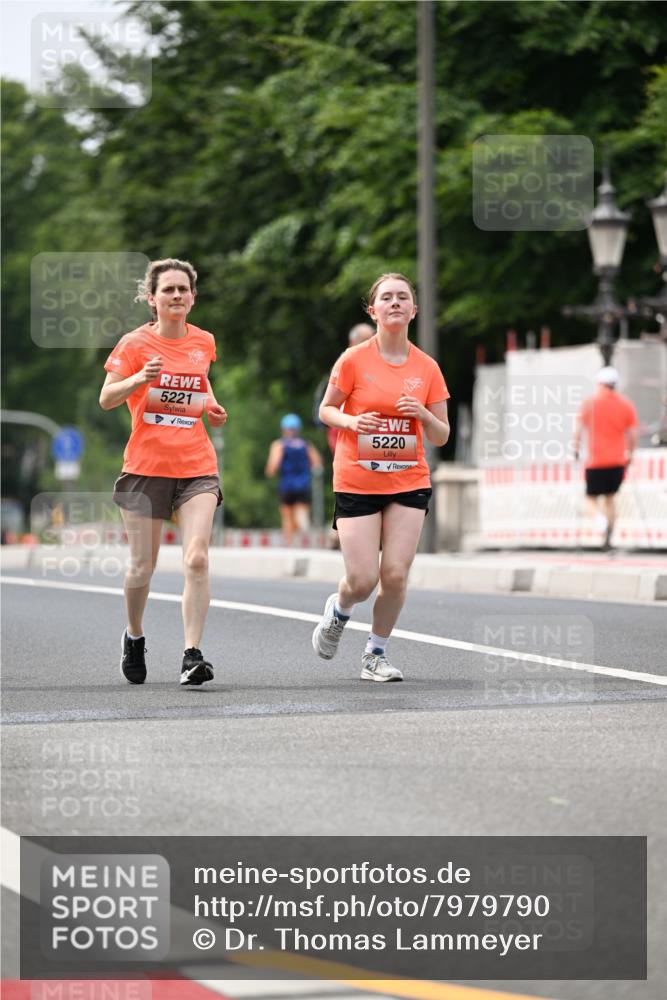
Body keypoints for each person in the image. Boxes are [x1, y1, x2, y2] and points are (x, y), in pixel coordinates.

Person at [312, 273, 450, 682]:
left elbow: (441, 434)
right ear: (373, 311)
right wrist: (353, 423)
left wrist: (423, 415)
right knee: (362, 579)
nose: (394, 303)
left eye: (402, 297)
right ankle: (339, 610)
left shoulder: (426, 368)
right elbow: (326, 410)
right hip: (357, 478)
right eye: (386, 298)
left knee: (394, 574)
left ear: (414, 310)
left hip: (408, 478)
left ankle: (375, 653)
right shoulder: (354, 359)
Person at [99, 258, 227, 686]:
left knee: (197, 557)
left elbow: (201, 381)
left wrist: (211, 405)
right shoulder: (134, 343)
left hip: (196, 466)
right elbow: (106, 398)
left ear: (192, 297)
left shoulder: (204, 341)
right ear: (152, 299)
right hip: (146, 467)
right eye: (168, 290)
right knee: (142, 566)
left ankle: (192, 654)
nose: (176, 296)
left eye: (183, 290)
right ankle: (134, 635)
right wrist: (138, 378)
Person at [573, 365, 639, 549]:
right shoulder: (626, 405)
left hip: (596, 461)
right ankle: (608, 538)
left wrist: (576, 449)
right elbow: (632, 434)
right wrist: (630, 455)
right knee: (610, 499)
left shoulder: (590, 404)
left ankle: (599, 520)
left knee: (590, 499)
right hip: (617, 460)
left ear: (600, 383)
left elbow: (577, 429)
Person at [265, 414, 322, 545]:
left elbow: (273, 465)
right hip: (303, 483)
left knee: (286, 514)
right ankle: (301, 519)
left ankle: (289, 542)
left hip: (287, 484)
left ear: (283, 429)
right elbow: (317, 462)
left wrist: (270, 472)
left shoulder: (279, 445)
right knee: (301, 507)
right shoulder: (306, 445)